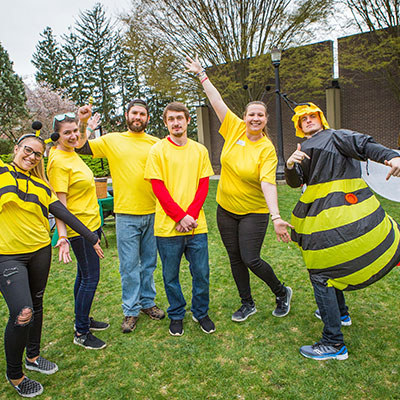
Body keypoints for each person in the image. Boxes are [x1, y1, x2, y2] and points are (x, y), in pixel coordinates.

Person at [285, 102, 400, 361]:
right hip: (324, 217)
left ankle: (333, 342)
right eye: (303, 119)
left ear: (321, 119)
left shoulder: (335, 136)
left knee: (321, 273)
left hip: (344, 216)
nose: (308, 120)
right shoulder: (304, 148)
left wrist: (391, 156)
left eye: (312, 116)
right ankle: (341, 313)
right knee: (327, 264)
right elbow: (296, 182)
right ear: (299, 127)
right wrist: (290, 165)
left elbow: (364, 145)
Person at [184, 56, 293, 323]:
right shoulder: (234, 129)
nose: (255, 118)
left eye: (260, 115)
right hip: (226, 209)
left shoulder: (266, 149)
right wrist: (201, 74)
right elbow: (216, 101)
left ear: (266, 119)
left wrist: (276, 216)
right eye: (251, 114)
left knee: (251, 258)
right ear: (244, 117)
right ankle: (247, 303)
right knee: (235, 258)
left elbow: (268, 183)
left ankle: (281, 292)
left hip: (253, 212)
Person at [0, 133, 103, 397]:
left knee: (36, 304)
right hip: (8, 256)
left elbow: (63, 212)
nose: (32, 156)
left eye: (37, 154)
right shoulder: (2, 172)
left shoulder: (42, 186)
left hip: (40, 251)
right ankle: (15, 375)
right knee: (23, 312)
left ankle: (33, 357)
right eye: (28, 150)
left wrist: (91, 237)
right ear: (16, 148)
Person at [76, 99, 165, 333]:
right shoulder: (112, 140)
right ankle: (131, 310)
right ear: (127, 115)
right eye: (134, 113)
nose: (138, 117)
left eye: (142, 114)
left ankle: (147, 303)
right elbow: (81, 146)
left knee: (149, 264)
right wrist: (83, 123)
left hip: (153, 212)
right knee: (129, 266)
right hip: (126, 215)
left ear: (148, 118)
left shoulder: (157, 144)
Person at [144, 102, 215, 336]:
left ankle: (200, 312)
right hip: (167, 228)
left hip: (196, 226)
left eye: (180, 118)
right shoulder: (157, 150)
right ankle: (176, 314)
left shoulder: (200, 150)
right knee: (170, 276)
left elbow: (203, 186)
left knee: (201, 273)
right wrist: (179, 216)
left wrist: (189, 216)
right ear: (166, 123)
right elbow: (158, 188)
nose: (176, 123)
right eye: (171, 119)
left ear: (187, 120)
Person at [47, 106, 109, 350]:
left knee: (83, 275)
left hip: (91, 223)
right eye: (67, 133)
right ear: (57, 136)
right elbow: (59, 207)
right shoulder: (58, 162)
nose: (73, 136)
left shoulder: (70, 152)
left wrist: (85, 124)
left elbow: (82, 139)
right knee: (90, 278)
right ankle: (81, 332)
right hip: (80, 231)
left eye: (74, 131)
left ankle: (82, 319)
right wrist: (62, 236)